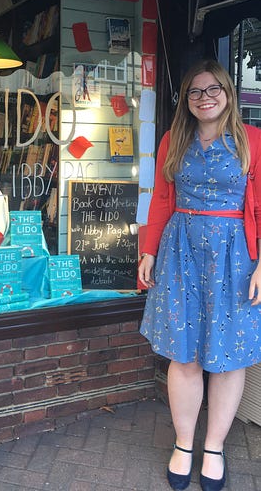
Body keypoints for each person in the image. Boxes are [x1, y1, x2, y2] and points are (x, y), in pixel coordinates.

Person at [138, 59, 261, 491]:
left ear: (227, 93)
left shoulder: (254, 141)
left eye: (212, 90)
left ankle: (214, 447)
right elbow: (159, 200)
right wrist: (148, 250)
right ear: (186, 100)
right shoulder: (175, 139)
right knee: (182, 351)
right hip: (180, 249)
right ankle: (184, 444)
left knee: (228, 356)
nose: (204, 97)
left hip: (235, 257)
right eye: (195, 91)